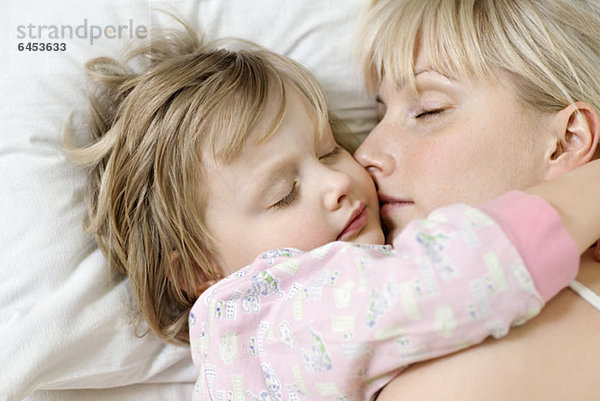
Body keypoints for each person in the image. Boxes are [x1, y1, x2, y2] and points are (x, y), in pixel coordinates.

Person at [70, 21, 600, 401]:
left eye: (328, 149)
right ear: (198, 271)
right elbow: (456, 273)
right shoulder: (264, 318)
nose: (345, 176)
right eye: (281, 193)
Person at [353, 0, 600, 399]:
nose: (364, 154)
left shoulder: (449, 382)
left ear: (566, 141)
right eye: (377, 114)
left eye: (427, 111)